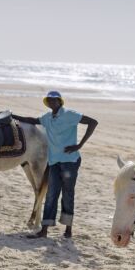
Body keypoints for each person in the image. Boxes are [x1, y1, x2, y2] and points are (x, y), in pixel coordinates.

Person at [21, 91, 98, 239]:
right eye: (49, 100)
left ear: (60, 102)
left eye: (54, 100)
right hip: (54, 162)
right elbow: (32, 120)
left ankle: (68, 229)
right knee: (51, 195)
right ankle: (44, 230)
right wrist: (13, 117)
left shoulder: (70, 114)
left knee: (68, 194)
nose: (52, 102)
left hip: (70, 162)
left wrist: (79, 145)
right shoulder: (47, 118)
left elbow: (93, 122)